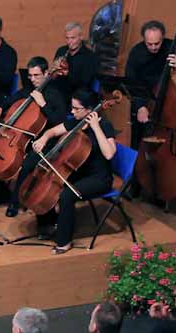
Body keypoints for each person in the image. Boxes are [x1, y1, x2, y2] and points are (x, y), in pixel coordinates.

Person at [14, 88, 117, 254]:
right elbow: (53, 131)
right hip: (79, 172)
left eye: (76, 109)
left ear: (90, 110)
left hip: (98, 178)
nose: (72, 111)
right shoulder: (76, 122)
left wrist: (95, 127)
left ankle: (64, 241)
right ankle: (47, 225)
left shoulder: (105, 126)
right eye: (72, 107)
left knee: (66, 195)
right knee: (47, 185)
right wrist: (43, 138)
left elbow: (109, 153)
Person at [0, 57, 67, 214]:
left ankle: (15, 201)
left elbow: (59, 122)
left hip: (44, 140)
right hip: (18, 137)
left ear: (46, 73)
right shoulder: (28, 90)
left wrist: (43, 105)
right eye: (30, 75)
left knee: (27, 165)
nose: (33, 79)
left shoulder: (56, 94)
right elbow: (9, 100)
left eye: (36, 75)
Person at [125, 20, 176, 152]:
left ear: (162, 38)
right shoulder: (136, 52)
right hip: (142, 101)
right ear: (144, 40)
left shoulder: (173, 47)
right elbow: (131, 83)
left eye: (157, 43)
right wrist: (140, 107)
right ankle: (135, 171)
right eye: (149, 44)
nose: (153, 47)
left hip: (168, 105)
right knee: (137, 144)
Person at [50, 22, 98, 102]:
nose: (69, 42)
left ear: (81, 37)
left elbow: (85, 83)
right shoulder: (61, 51)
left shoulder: (90, 56)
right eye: (67, 38)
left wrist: (67, 73)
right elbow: (53, 77)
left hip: (77, 98)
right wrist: (53, 72)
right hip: (58, 94)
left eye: (73, 38)